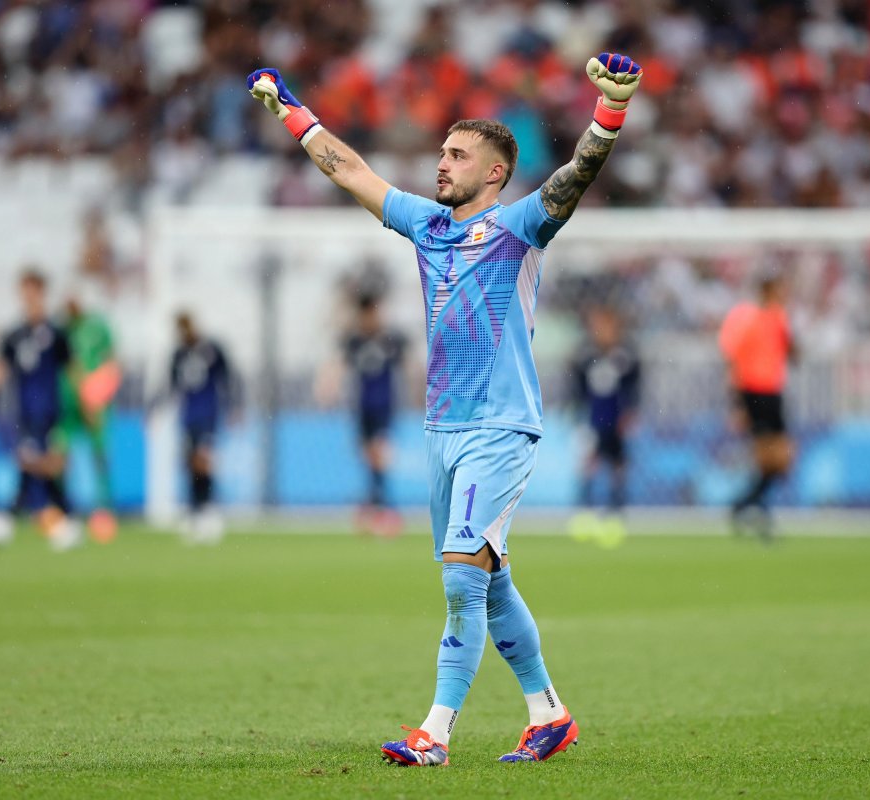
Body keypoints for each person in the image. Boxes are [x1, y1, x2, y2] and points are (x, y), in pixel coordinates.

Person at [248, 50, 644, 765]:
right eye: (441, 152)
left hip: (500, 428)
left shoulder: (520, 227)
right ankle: (548, 713)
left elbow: (573, 178)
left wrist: (608, 112)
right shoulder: (426, 226)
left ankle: (435, 733)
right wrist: (295, 113)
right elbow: (351, 171)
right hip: (442, 430)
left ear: (493, 172)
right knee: (490, 584)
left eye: (457, 156)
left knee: (462, 574)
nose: (442, 164)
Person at [0, 268, 80, 550]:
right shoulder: (15, 334)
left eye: (32, 290)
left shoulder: (56, 333)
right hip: (24, 409)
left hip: (48, 410)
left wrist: (82, 403)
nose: (27, 296)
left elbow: (73, 369)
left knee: (32, 462)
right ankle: (62, 519)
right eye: (24, 291)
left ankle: (20, 520)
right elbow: (0, 365)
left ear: (42, 292)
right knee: (36, 465)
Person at [318, 290, 409, 537]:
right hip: (361, 407)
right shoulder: (354, 341)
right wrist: (329, 390)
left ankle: (384, 508)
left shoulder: (392, 339)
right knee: (369, 457)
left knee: (379, 454)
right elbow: (339, 366)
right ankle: (376, 505)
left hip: (384, 406)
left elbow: (408, 367)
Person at [718, 272, 796, 540]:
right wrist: (737, 405)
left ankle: (745, 505)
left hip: (773, 393)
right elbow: (732, 359)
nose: (785, 296)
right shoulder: (746, 318)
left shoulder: (780, 319)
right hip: (753, 393)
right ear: (768, 291)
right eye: (781, 290)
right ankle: (754, 509)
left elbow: (792, 354)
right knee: (766, 459)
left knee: (782, 461)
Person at [568, 305, 641, 548]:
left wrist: (630, 412)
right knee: (589, 464)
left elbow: (634, 386)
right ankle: (585, 513)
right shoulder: (585, 355)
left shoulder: (626, 354)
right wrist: (578, 412)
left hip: (616, 420)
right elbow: (576, 386)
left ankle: (615, 514)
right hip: (592, 419)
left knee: (618, 466)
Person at [56, 293, 121, 543]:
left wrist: (97, 393)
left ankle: (103, 511)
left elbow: (112, 363)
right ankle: (63, 510)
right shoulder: (60, 329)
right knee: (60, 454)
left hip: (96, 402)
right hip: (68, 403)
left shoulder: (98, 326)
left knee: (100, 456)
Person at [169, 312, 237, 544]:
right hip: (188, 417)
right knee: (190, 464)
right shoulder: (179, 354)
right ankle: (194, 511)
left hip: (209, 414)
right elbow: (171, 384)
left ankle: (209, 510)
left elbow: (227, 378)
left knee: (203, 462)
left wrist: (233, 406)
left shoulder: (211, 349)